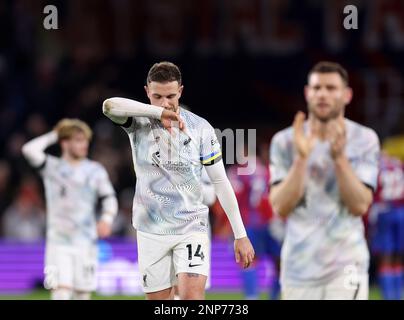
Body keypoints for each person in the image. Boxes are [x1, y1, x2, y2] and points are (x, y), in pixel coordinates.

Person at [102, 61, 254, 300]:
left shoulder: (201, 128)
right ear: (146, 93)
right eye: (157, 96)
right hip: (151, 230)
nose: (165, 102)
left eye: (171, 96)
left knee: (191, 298)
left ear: (181, 91)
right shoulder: (139, 123)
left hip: (191, 227)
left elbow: (220, 182)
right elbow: (109, 106)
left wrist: (240, 234)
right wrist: (156, 112)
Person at [269, 61, 380, 300]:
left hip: (347, 264)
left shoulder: (364, 139)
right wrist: (301, 159)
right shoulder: (285, 141)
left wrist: (339, 159)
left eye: (331, 88)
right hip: (298, 268)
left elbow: (359, 205)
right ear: (307, 92)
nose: (322, 94)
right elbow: (280, 206)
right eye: (317, 88)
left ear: (347, 95)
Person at [22, 119, 118, 300]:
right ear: (65, 142)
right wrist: (55, 134)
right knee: (61, 292)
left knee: (82, 294)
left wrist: (106, 219)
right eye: (79, 140)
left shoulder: (95, 170)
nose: (85, 144)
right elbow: (29, 150)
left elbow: (109, 198)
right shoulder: (52, 167)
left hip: (86, 241)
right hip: (58, 243)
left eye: (86, 140)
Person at [227, 143, 282, 299]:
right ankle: (269, 296)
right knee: (276, 261)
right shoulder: (264, 170)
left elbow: (233, 199)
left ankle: (253, 296)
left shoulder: (235, 172)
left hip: (252, 223)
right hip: (264, 222)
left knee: (251, 260)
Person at [369, 152, 404, 300]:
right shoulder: (398, 165)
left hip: (384, 212)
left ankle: (389, 295)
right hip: (401, 211)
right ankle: (397, 294)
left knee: (386, 256)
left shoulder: (377, 167)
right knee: (398, 256)